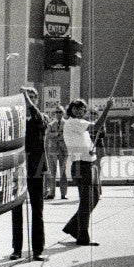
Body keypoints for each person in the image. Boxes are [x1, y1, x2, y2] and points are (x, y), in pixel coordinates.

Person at [61, 97, 113, 246]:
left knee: (93, 198)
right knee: (87, 202)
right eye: (76, 108)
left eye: (82, 108)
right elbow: (96, 126)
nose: (79, 110)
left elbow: (86, 142)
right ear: (71, 109)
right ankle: (82, 236)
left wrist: (90, 152)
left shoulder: (79, 125)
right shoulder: (74, 122)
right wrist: (108, 108)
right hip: (81, 166)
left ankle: (73, 227)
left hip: (87, 164)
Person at [10, 87, 48, 261]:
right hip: (19, 167)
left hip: (37, 166)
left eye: (33, 97)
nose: (29, 100)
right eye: (27, 97)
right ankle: (17, 249)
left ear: (37, 100)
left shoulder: (41, 118)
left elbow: (38, 117)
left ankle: (38, 249)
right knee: (17, 210)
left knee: (37, 209)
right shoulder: (16, 121)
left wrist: (25, 97)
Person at [44, 104, 68, 200]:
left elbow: (67, 135)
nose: (58, 114)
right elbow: (47, 135)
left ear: (63, 113)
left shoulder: (66, 124)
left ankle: (63, 193)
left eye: (60, 112)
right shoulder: (51, 124)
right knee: (52, 172)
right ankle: (51, 193)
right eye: (56, 112)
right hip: (53, 150)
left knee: (63, 171)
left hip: (63, 150)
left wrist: (58, 136)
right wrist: (57, 134)